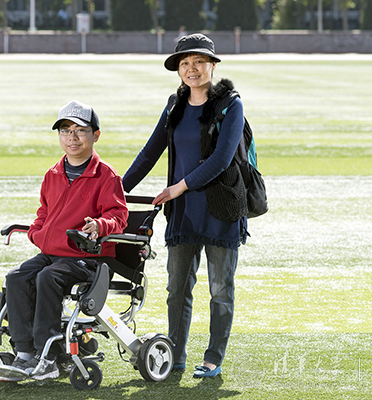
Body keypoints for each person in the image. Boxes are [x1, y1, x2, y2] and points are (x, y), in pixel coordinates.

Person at [122, 33, 248, 379]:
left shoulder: (231, 105)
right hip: (183, 214)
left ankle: (213, 358)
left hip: (221, 211)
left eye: (199, 62)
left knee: (220, 290)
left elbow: (222, 159)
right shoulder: (174, 105)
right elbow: (150, 153)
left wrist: (178, 186)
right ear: (179, 69)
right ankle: (174, 355)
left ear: (213, 65)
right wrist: (115, 191)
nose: (192, 69)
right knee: (177, 289)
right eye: (185, 63)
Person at [3, 100, 128, 381]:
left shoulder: (106, 176)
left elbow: (118, 216)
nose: (72, 137)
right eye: (65, 130)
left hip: (87, 257)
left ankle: (47, 357)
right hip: (52, 254)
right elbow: (44, 212)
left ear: (95, 135)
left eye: (80, 130)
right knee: (16, 278)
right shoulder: (53, 174)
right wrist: (37, 232)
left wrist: (99, 225)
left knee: (47, 277)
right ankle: (24, 354)